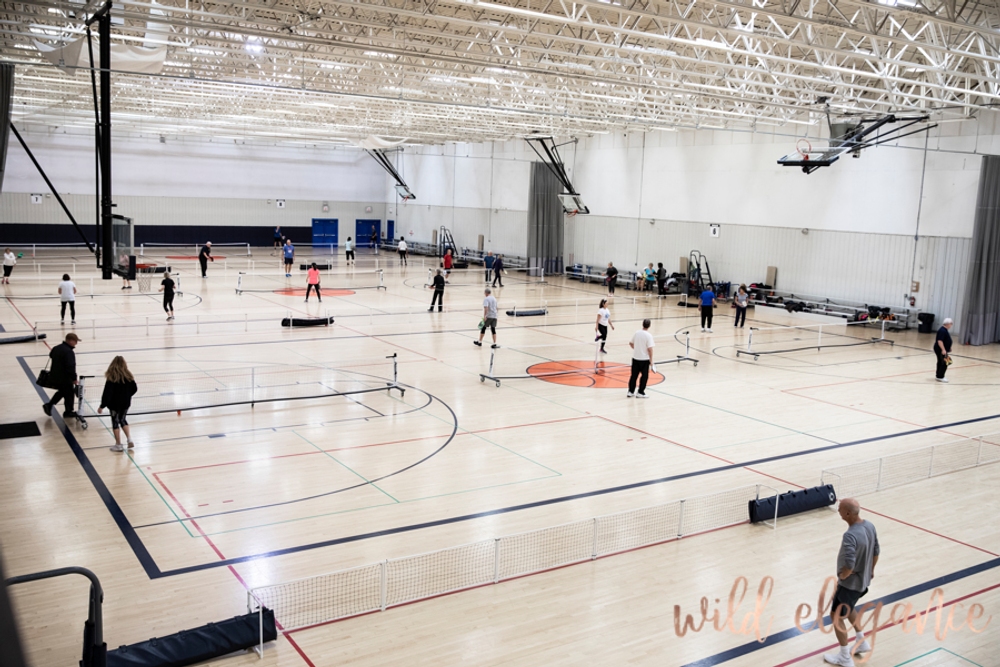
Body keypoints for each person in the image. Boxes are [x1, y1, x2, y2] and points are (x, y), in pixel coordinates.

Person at [823, 498, 879, 667]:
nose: (838, 510)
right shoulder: (869, 525)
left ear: (848, 513)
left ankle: (844, 657)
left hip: (849, 584)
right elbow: (877, 550)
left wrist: (843, 575)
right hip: (862, 582)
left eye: (839, 508)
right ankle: (861, 640)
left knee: (835, 616)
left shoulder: (850, 535)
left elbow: (849, 563)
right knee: (849, 607)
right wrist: (871, 569)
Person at [98, 356, 138, 453]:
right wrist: (127, 396)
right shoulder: (129, 376)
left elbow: (107, 393)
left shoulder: (111, 377)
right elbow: (134, 388)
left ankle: (118, 444)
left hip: (114, 404)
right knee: (123, 419)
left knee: (115, 422)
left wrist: (102, 406)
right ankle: (129, 439)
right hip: (125, 403)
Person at [42, 333, 80, 418]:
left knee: (64, 392)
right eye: (75, 341)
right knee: (69, 393)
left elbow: (51, 355)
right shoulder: (69, 352)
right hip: (65, 378)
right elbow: (70, 366)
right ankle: (67, 411)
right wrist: (74, 378)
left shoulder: (56, 348)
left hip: (55, 375)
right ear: (70, 341)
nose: (76, 343)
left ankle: (52, 406)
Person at [627, 319, 654, 398]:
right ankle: (640, 392)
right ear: (649, 326)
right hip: (644, 359)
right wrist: (651, 360)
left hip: (635, 358)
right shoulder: (649, 336)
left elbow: (631, 343)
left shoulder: (637, 333)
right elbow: (650, 349)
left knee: (634, 376)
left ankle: (630, 391)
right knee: (644, 376)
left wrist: (636, 349)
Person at [934, 318, 953, 383]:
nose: (951, 325)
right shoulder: (942, 330)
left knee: (941, 361)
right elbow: (940, 341)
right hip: (940, 349)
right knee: (945, 362)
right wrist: (943, 349)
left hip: (943, 349)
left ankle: (938, 375)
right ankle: (940, 376)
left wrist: (948, 347)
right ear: (947, 324)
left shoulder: (944, 330)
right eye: (951, 323)